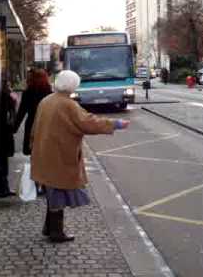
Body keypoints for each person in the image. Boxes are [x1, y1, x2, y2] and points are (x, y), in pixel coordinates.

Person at [30, 70, 130, 243]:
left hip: (44, 153)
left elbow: (34, 127)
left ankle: (49, 228)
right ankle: (56, 232)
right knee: (57, 193)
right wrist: (115, 124)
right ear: (72, 85)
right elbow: (88, 122)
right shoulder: (67, 104)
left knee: (52, 191)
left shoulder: (46, 100)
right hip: (59, 154)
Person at [13, 68, 52, 156]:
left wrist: (14, 128)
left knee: (33, 151)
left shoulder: (28, 93)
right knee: (46, 152)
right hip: (47, 125)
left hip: (32, 124)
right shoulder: (50, 93)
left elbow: (21, 112)